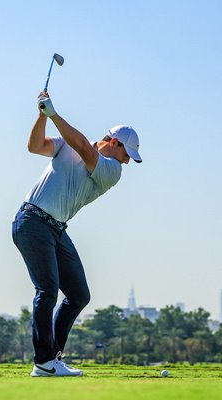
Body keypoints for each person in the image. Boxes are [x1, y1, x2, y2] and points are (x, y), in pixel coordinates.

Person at [12, 92, 142, 377]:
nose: (128, 162)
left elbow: (83, 146)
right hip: (32, 221)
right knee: (47, 289)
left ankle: (52, 359)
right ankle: (43, 362)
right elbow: (35, 146)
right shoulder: (68, 145)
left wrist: (53, 114)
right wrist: (41, 115)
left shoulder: (111, 170)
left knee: (78, 295)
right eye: (126, 154)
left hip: (55, 229)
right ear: (115, 142)